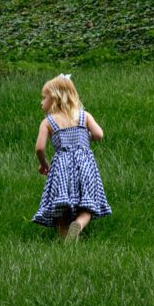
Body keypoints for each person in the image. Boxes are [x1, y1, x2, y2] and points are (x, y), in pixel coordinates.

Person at [32, 74, 111, 240]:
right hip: (85, 165)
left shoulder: (48, 122)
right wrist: (84, 137)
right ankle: (79, 226)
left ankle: (64, 240)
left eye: (43, 98)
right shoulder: (84, 116)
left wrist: (43, 163)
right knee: (88, 204)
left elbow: (39, 148)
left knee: (61, 208)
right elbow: (99, 134)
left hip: (61, 166)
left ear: (55, 99)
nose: (41, 102)